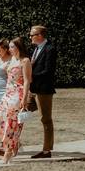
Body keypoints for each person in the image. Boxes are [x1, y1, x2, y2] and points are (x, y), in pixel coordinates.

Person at [0, 37, 32, 164]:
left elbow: (27, 81)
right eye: (9, 47)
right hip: (7, 93)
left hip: (18, 94)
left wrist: (24, 98)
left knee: (12, 123)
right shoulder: (12, 60)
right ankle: (15, 143)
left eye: (11, 47)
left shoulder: (25, 61)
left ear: (18, 47)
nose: (9, 49)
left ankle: (8, 152)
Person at [27, 25, 57, 159]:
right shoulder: (36, 49)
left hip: (43, 90)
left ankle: (46, 150)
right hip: (32, 90)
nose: (30, 37)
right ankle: (10, 145)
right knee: (18, 115)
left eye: (32, 35)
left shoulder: (50, 49)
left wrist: (31, 76)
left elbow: (48, 71)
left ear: (40, 35)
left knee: (45, 119)